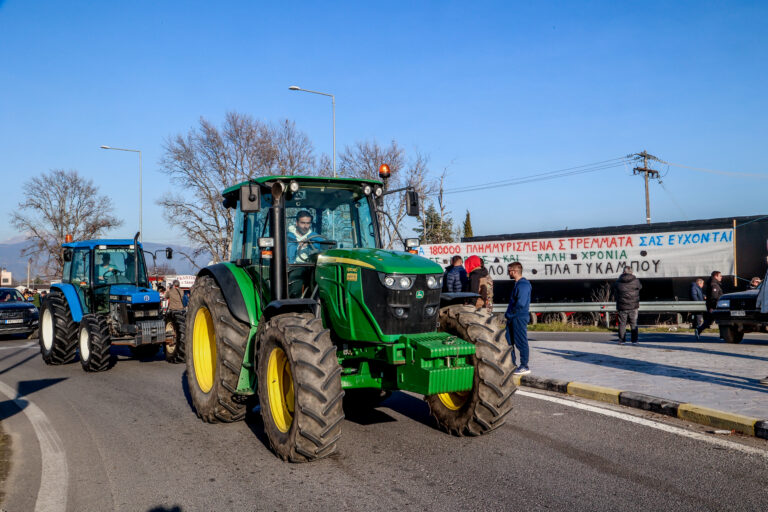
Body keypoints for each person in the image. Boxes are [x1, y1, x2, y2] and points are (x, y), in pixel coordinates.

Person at [505, 262, 532, 375]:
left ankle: (524, 366)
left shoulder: (523, 285)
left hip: (518, 317)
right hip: (513, 318)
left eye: (509, 271)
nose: (508, 273)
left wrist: (510, 314)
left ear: (514, 271)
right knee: (508, 341)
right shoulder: (518, 284)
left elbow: (520, 303)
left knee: (521, 342)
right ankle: (512, 364)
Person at [612, 267, 642, 344]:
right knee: (634, 323)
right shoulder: (636, 281)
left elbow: (615, 290)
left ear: (623, 272)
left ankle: (622, 340)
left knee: (622, 324)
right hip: (633, 306)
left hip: (622, 306)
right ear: (631, 272)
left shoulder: (618, 281)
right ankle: (634, 341)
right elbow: (640, 287)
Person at [697, 270, 724, 337]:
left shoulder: (714, 283)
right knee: (719, 320)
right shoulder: (714, 285)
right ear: (716, 276)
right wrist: (712, 307)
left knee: (711, 320)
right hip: (715, 305)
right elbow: (713, 297)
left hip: (715, 305)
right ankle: (723, 336)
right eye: (720, 276)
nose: (721, 277)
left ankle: (699, 330)